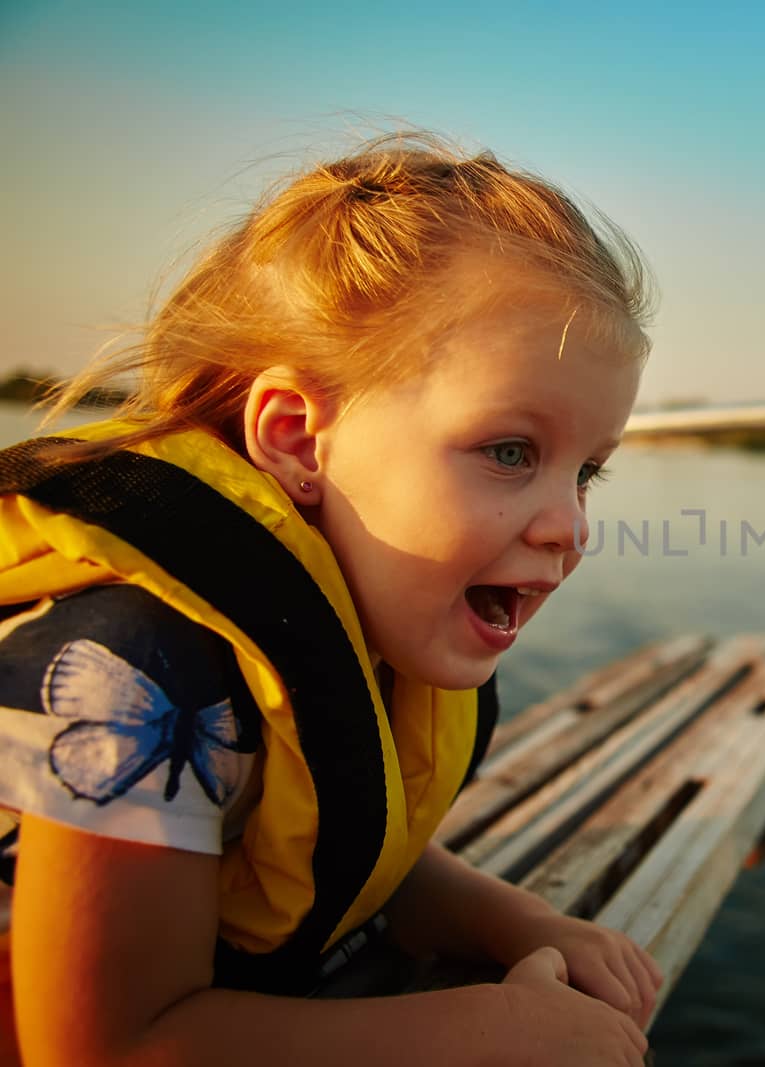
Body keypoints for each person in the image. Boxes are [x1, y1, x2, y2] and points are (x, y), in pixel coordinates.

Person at [0, 133, 661, 1066]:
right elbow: (106, 1046)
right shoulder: (137, 666)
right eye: (511, 450)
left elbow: (346, 846)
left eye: (587, 471)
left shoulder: (357, 625)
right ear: (299, 438)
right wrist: (485, 1034)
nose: (570, 526)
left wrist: (519, 921)